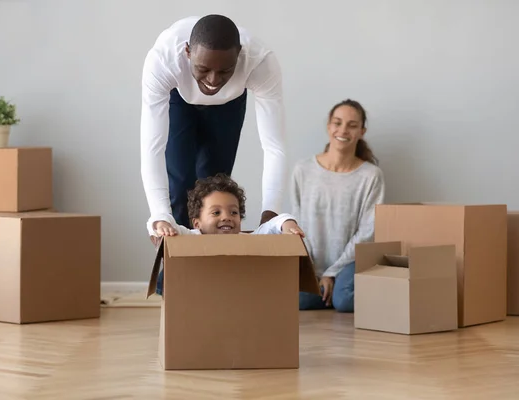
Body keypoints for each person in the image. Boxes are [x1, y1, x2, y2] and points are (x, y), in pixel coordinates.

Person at [140, 15, 287, 241]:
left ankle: (211, 270)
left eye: (224, 70)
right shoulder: (163, 59)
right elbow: (152, 148)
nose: (212, 79)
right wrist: (159, 215)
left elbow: (274, 146)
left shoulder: (260, 61)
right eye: (203, 68)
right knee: (179, 188)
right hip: (179, 98)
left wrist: (271, 214)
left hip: (229, 103)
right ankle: (171, 273)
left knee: (214, 193)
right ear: (187, 52)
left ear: (239, 54)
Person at [291, 99, 386, 313]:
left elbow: (368, 232)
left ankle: (335, 290)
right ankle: (326, 293)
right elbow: (296, 224)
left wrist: (332, 272)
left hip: (350, 261)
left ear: (362, 131)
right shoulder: (302, 170)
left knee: (344, 301)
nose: (343, 130)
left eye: (352, 125)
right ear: (328, 126)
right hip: (311, 260)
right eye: (337, 123)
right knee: (299, 300)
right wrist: (311, 269)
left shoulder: (371, 176)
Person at [150, 174, 305, 295]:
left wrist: (288, 224)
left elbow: (272, 225)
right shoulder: (191, 237)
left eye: (234, 212)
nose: (226, 217)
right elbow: (164, 221)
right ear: (197, 223)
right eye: (216, 212)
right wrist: (162, 225)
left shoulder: (249, 240)